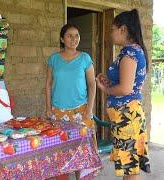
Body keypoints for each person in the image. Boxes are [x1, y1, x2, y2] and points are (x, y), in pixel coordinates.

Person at [96, 9, 151, 180]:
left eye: (112, 29)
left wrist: (105, 90)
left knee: (129, 170)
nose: (110, 33)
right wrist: (110, 81)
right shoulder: (132, 51)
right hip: (128, 116)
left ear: (123, 29)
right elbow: (127, 84)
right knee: (129, 169)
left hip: (127, 117)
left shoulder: (129, 53)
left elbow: (126, 89)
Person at [46, 23, 96, 180]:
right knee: (61, 154)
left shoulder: (85, 58)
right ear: (62, 38)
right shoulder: (54, 59)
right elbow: (48, 84)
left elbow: (92, 84)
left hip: (80, 112)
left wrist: (89, 111)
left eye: (77, 36)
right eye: (69, 35)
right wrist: (48, 108)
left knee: (82, 154)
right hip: (58, 113)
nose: (74, 39)